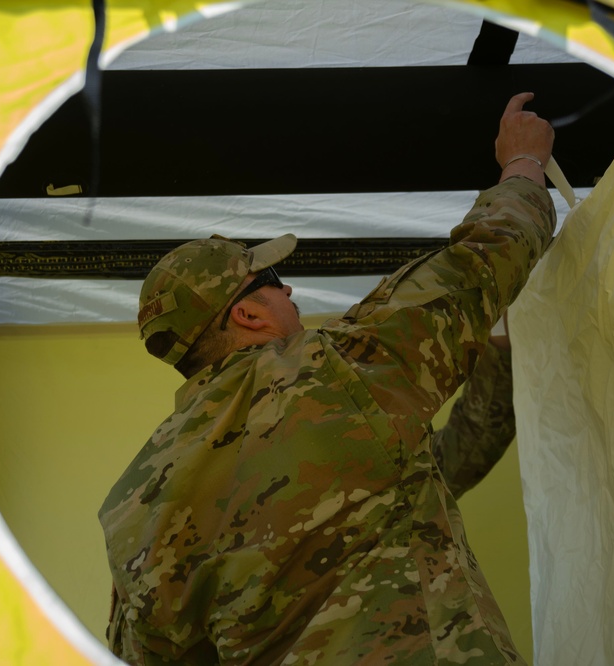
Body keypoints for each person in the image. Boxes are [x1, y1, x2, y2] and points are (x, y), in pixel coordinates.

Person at [99, 92, 555, 664]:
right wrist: (523, 164)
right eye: (271, 277)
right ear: (248, 314)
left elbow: (446, 460)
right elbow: (485, 259)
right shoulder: (327, 375)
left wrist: (498, 351)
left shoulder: (131, 512)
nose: (288, 290)